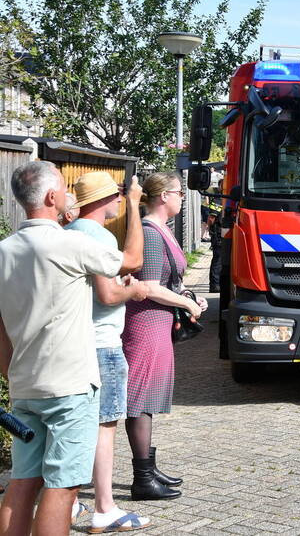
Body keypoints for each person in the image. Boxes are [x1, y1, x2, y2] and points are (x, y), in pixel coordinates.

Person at [0, 162, 144, 535]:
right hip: (69, 387)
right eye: (63, 188)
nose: (68, 194)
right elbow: (132, 261)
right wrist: (134, 207)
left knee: (23, 481)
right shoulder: (72, 244)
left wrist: (10, 372)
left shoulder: (3, 251)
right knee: (62, 485)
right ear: (51, 198)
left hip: (24, 388)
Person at [66, 172, 152, 532]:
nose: (120, 200)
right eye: (117, 195)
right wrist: (132, 291)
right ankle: (105, 507)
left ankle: (67, 503)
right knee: (105, 426)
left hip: (75, 341)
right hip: (104, 343)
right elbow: (108, 295)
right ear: (105, 200)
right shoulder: (97, 235)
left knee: (75, 426)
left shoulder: (68, 235)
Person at [122, 172, 206, 501]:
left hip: (157, 324)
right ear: (163, 197)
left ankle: (149, 468)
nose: (183, 198)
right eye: (179, 193)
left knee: (148, 396)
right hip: (145, 325)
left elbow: (168, 281)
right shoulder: (151, 234)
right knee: (140, 398)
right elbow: (152, 287)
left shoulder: (161, 231)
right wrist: (185, 301)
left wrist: (186, 294)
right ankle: (142, 478)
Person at [207, 188, 223, 292]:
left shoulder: (223, 199)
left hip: (221, 233)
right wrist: (211, 230)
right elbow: (211, 218)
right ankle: (214, 285)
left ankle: (218, 284)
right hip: (218, 234)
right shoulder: (218, 200)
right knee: (218, 259)